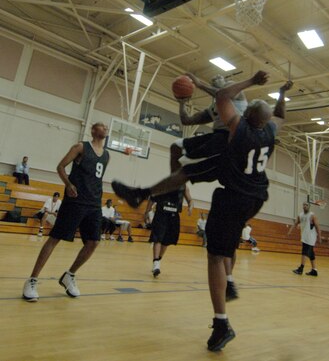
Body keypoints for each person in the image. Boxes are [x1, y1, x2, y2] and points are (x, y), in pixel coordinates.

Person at [112, 71, 292, 352]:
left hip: (233, 191)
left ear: (246, 117)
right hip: (255, 195)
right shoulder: (271, 130)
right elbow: (281, 113)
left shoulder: (239, 129)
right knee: (190, 178)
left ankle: (222, 323)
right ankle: (229, 282)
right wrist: (282, 93)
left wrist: (253, 82)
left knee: (214, 255)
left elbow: (222, 96)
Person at [22, 122, 109, 302]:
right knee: (55, 238)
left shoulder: (107, 155)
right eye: (102, 126)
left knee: (93, 242)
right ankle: (32, 280)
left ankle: (69, 275)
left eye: (107, 127)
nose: (106, 128)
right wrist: (68, 185)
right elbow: (61, 167)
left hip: (94, 204)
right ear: (93, 130)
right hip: (75, 201)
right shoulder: (81, 147)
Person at [171, 74, 247, 166]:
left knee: (186, 162)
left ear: (225, 80)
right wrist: (182, 103)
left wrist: (200, 85)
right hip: (218, 137)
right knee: (176, 146)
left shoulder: (234, 89)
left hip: (234, 138)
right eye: (214, 78)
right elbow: (187, 121)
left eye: (220, 77)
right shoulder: (214, 108)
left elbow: (223, 95)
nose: (216, 77)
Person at [145, 162, 193, 277]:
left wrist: (190, 206)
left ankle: (158, 261)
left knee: (167, 241)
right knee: (158, 238)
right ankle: (156, 263)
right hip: (161, 213)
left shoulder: (184, 186)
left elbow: (190, 200)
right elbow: (152, 197)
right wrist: (147, 211)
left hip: (174, 216)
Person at [288, 202, 321, 276]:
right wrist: (290, 231)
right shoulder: (300, 215)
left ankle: (300, 269)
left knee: (304, 252)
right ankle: (314, 270)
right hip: (304, 236)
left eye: (306, 205)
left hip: (310, 237)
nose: (305, 206)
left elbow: (317, 226)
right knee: (311, 254)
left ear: (309, 206)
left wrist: (319, 236)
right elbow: (295, 223)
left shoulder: (312, 215)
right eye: (304, 205)